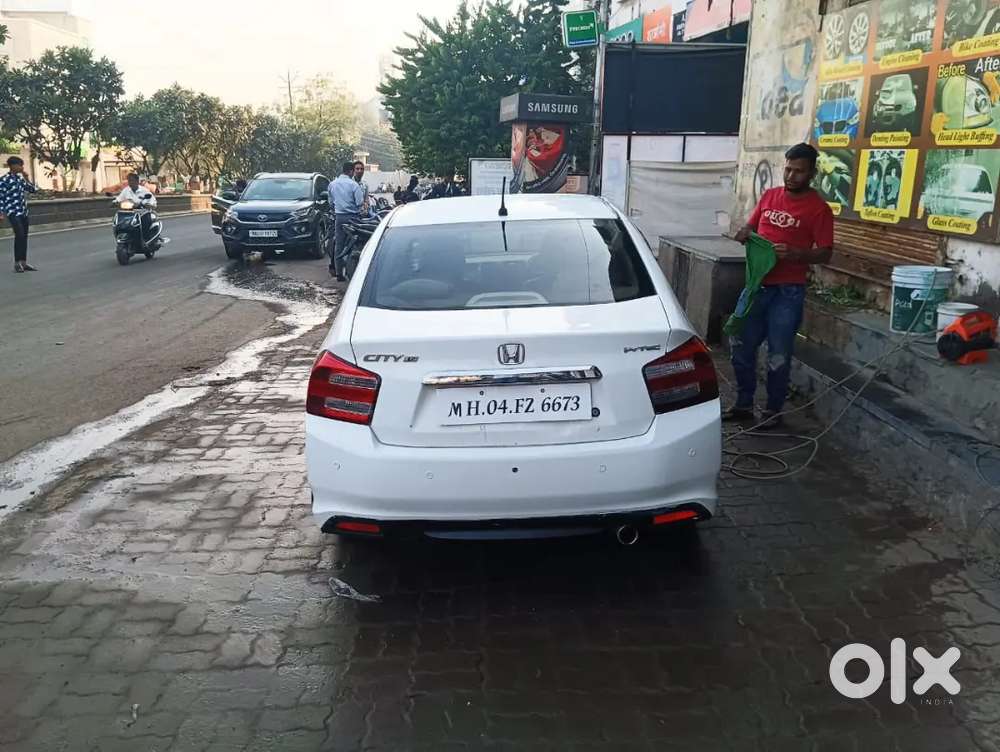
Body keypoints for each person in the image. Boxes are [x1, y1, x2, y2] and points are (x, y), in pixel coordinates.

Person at [728, 143, 834, 429]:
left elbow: (826, 253)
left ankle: (773, 411)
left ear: (812, 174)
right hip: (756, 286)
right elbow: (751, 226)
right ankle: (743, 404)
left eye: (799, 171)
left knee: (778, 354)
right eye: (788, 169)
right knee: (739, 344)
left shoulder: (819, 210)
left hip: (788, 292)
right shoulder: (770, 196)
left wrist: (797, 254)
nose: (791, 176)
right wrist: (743, 233)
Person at [0, 156, 39, 273]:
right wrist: (1, 212)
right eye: (20, 165)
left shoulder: (20, 179)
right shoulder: (4, 180)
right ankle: (17, 263)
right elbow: (0, 197)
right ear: (13, 166)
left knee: (24, 236)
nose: (22, 167)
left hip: (23, 211)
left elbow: (33, 190)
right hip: (13, 211)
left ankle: (23, 262)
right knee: (20, 235)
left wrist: (27, 178)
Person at [330, 161, 365, 281]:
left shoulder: (333, 184)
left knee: (339, 244)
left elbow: (331, 202)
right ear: (351, 171)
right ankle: (354, 271)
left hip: (339, 217)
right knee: (356, 243)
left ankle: (339, 274)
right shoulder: (354, 185)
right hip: (353, 218)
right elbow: (359, 203)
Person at [115, 173, 158, 241]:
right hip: (129, 213)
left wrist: (146, 204)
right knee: (120, 221)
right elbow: (119, 198)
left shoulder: (144, 191)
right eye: (129, 180)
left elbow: (153, 202)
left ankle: (146, 239)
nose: (130, 182)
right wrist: (114, 202)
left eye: (132, 180)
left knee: (146, 221)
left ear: (137, 181)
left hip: (142, 212)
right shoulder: (126, 190)